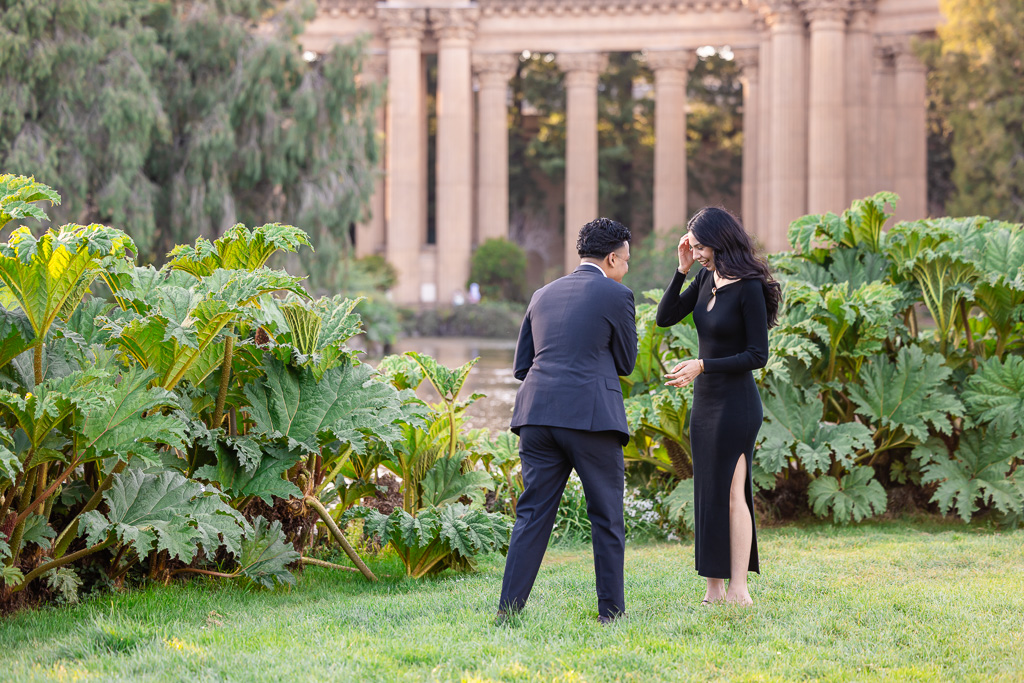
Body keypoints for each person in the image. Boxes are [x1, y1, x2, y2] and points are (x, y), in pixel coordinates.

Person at [497, 217, 638, 625]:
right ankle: (610, 615)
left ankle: (508, 612)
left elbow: (522, 366)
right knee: (607, 517)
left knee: (532, 514)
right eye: (625, 261)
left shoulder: (541, 294)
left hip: (537, 415)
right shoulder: (617, 295)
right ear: (612, 258)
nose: (626, 268)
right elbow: (626, 363)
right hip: (592, 417)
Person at [655, 207, 781, 607]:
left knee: (732, 494)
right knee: (707, 494)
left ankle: (739, 589)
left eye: (701, 247)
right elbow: (664, 317)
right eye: (693, 247)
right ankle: (713, 589)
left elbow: (757, 355)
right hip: (706, 402)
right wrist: (682, 270)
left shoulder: (748, 287)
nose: (699, 254)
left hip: (737, 404)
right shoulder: (707, 277)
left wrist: (702, 365)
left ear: (719, 241)